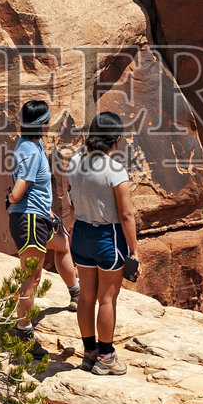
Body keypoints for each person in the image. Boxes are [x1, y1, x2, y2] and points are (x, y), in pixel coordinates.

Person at [63, 111, 140, 375]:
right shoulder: (115, 171)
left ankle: (89, 353)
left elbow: (72, 200)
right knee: (107, 299)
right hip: (109, 237)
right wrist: (134, 251)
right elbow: (126, 214)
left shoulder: (73, 162)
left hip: (81, 234)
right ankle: (106, 358)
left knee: (86, 296)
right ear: (116, 139)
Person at [6, 99, 80, 356]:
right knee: (32, 277)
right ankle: (23, 330)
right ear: (42, 124)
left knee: (63, 244)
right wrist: (11, 199)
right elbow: (18, 191)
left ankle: (75, 293)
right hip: (29, 220)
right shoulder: (28, 150)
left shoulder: (32, 144)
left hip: (39, 217)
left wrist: (47, 211)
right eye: (48, 120)